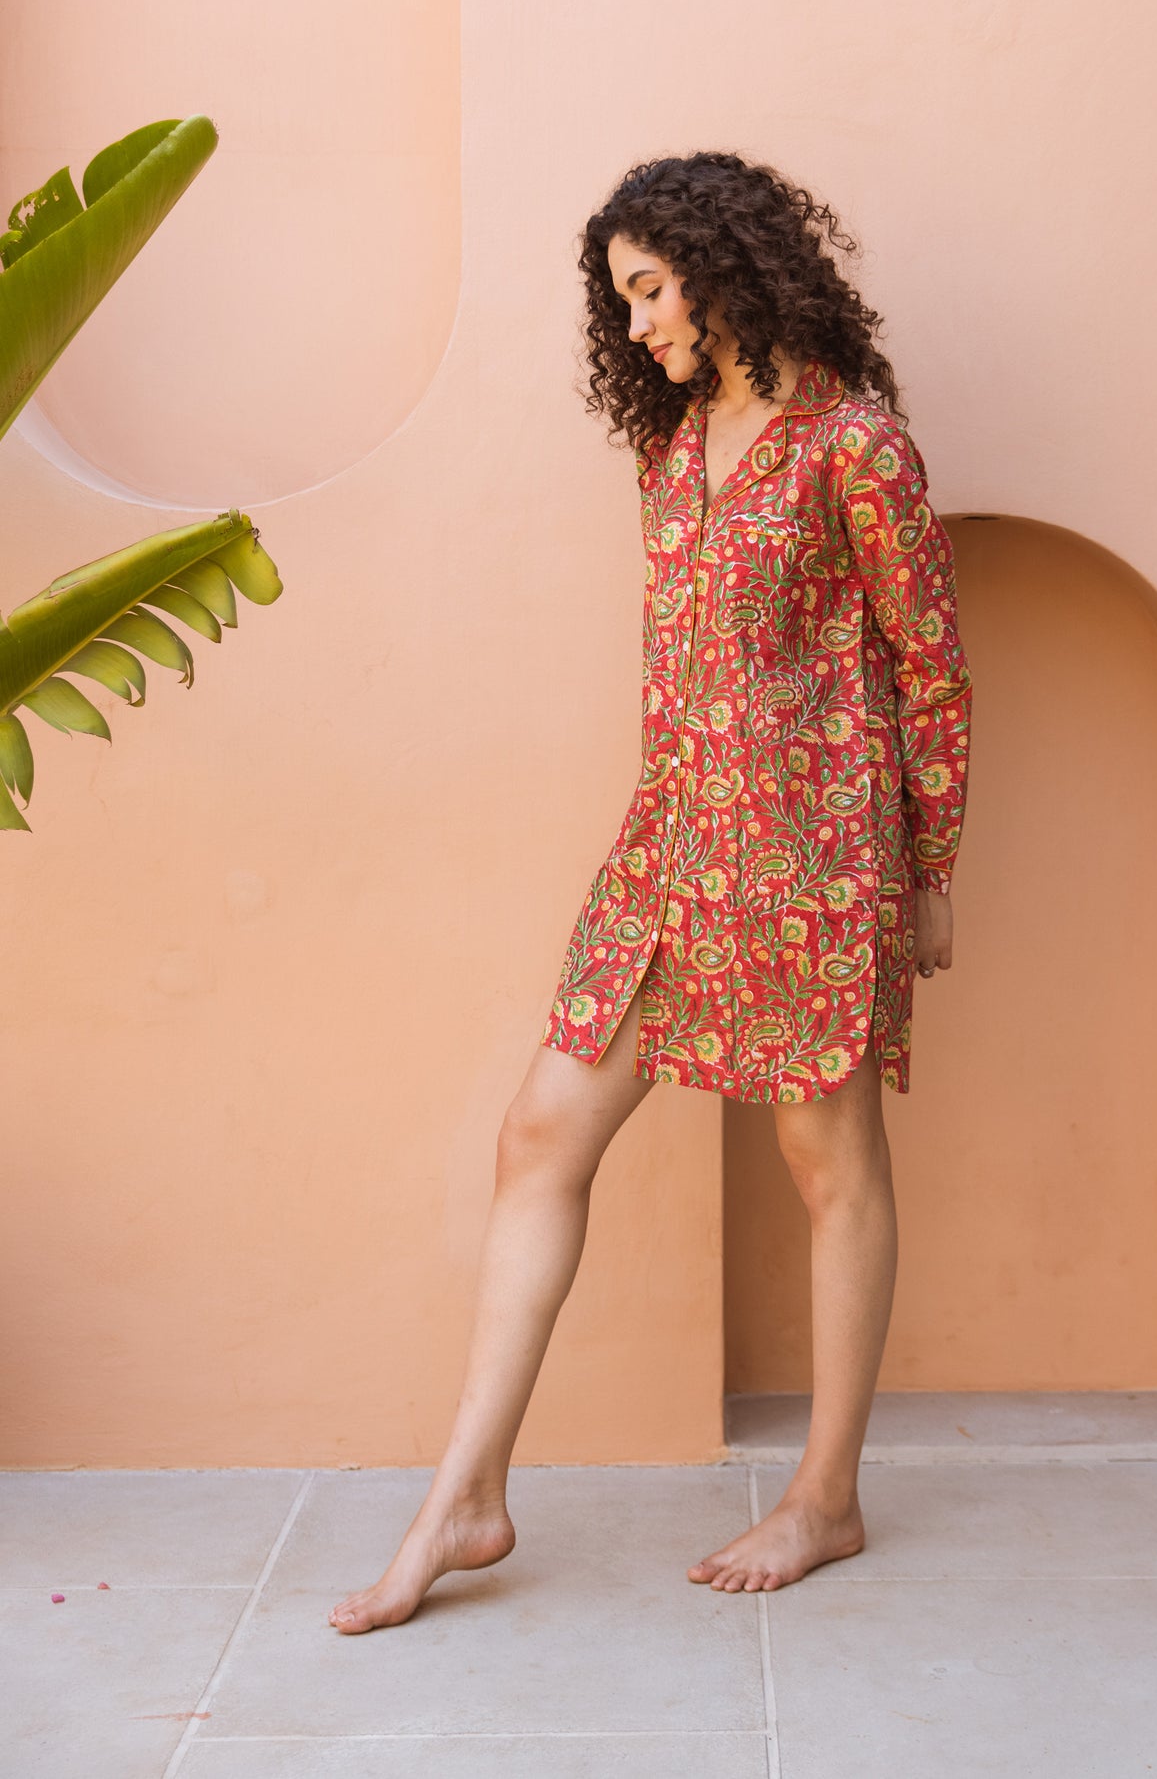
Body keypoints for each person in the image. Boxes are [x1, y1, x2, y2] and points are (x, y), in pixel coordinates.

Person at [329, 151, 973, 1633]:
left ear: (723, 266)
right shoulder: (674, 450)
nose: (634, 325)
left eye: (648, 290)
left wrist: (930, 868)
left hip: (813, 851)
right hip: (671, 844)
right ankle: (466, 1496)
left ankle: (826, 1496)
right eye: (618, 301)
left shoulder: (856, 443)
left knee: (828, 1161)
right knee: (539, 1132)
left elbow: (929, 663)